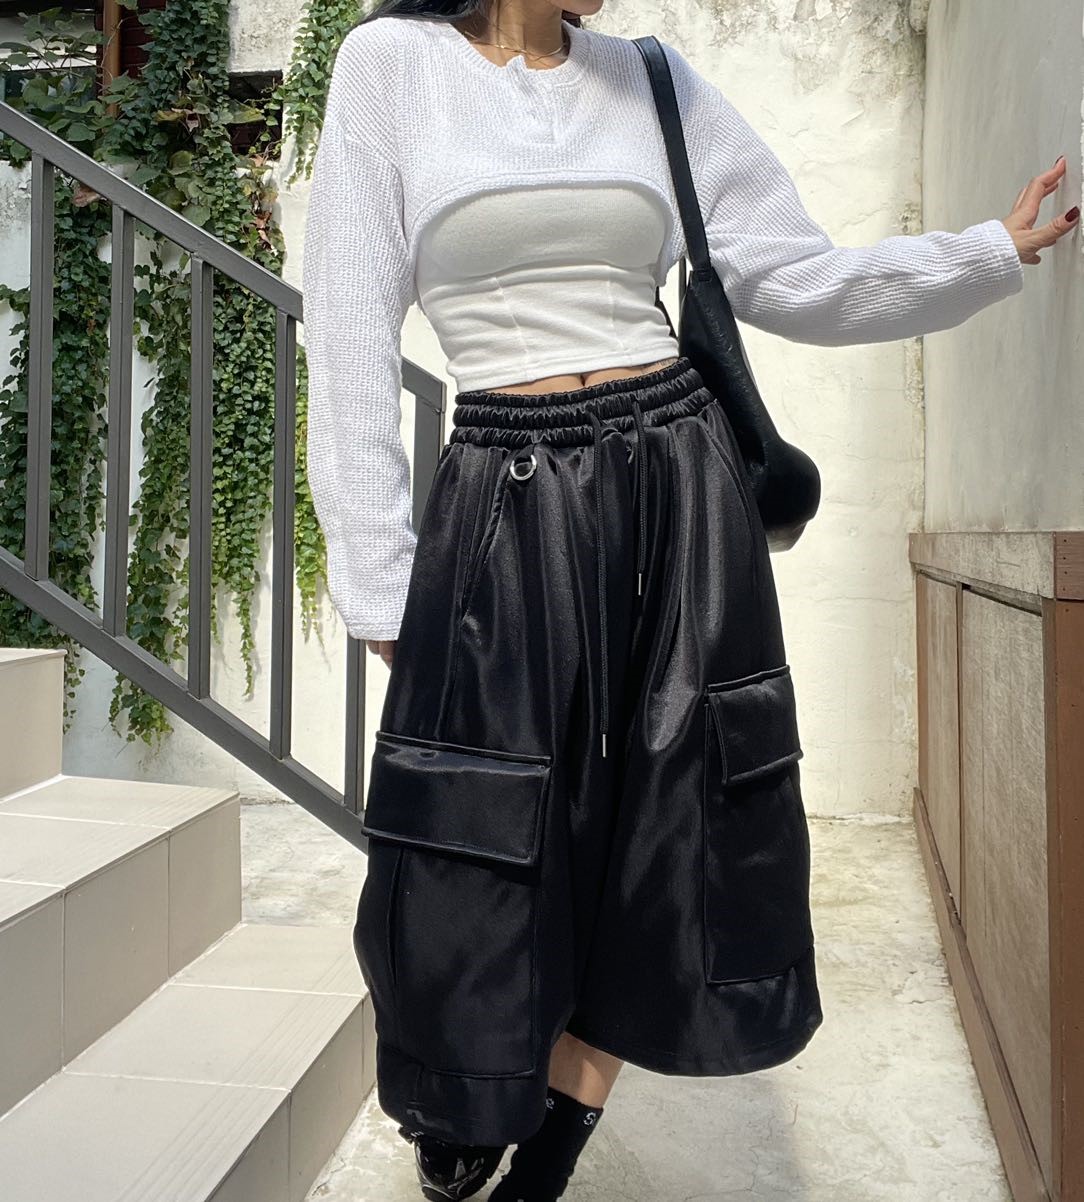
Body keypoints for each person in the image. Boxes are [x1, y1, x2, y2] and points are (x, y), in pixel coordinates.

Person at [300, 2, 1077, 1198]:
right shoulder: (389, 66)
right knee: (473, 827)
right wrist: (376, 579)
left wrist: (983, 254)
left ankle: (556, 1137)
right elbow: (349, 335)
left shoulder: (653, 81)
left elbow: (787, 271)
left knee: (679, 812)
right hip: (503, 500)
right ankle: (464, 1092)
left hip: (677, 485)